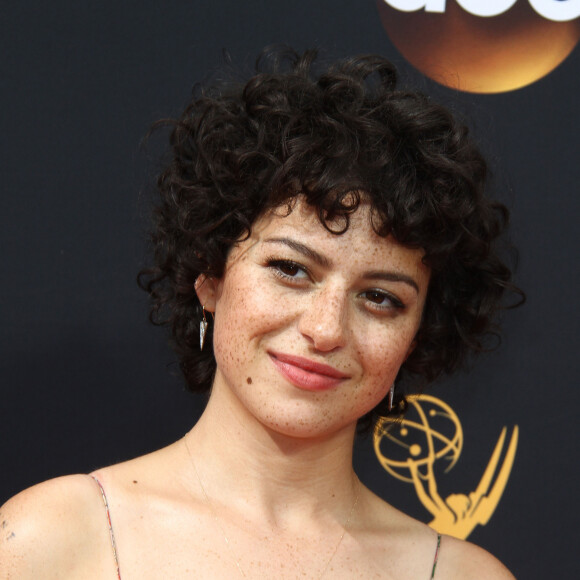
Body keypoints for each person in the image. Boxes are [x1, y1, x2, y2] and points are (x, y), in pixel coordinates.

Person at [0, 47, 521, 579]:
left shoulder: (461, 574)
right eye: (292, 270)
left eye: (380, 298)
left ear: (417, 335)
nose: (325, 329)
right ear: (209, 275)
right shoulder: (51, 542)